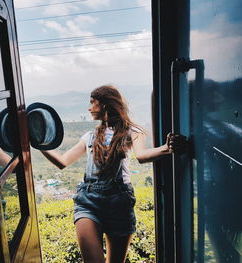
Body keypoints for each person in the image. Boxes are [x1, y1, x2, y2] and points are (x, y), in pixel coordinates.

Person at [40, 85, 184, 263]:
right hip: (88, 201)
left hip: (119, 202)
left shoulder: (132, 132)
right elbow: (62, 162)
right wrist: (39, 143)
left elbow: (142, 156)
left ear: (105, 105)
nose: (89, 107)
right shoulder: (89, 136)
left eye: (93, 102)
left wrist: (166, 148)